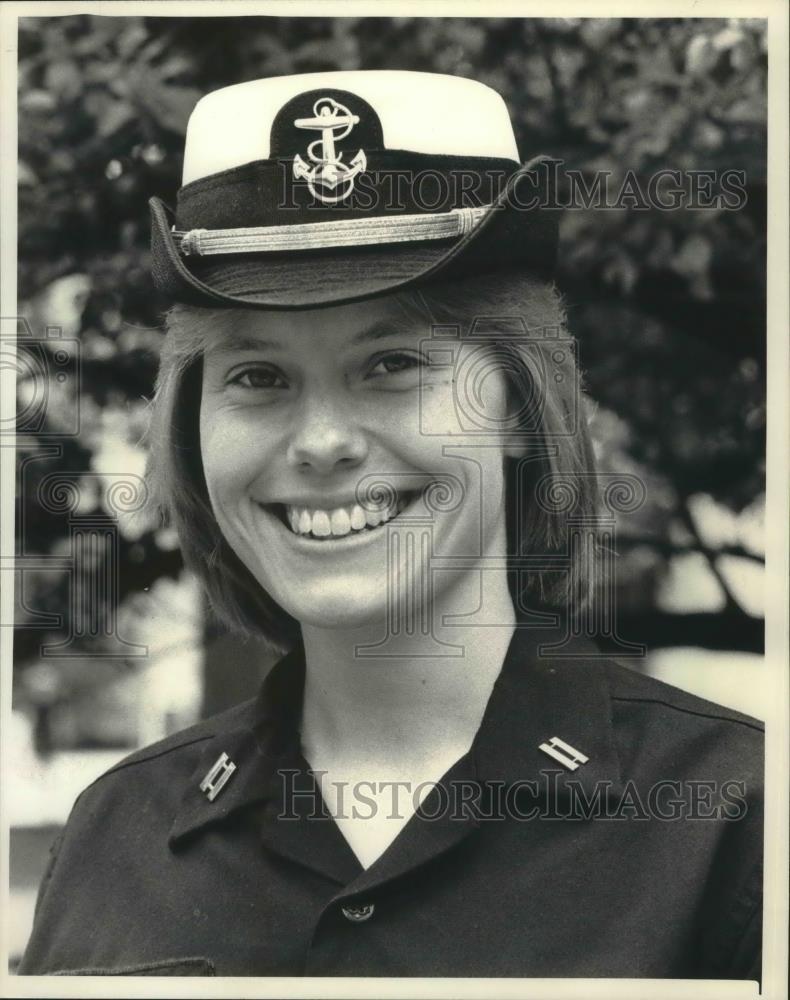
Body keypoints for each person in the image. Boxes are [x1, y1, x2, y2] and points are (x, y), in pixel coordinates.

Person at [19, 70, 763, 979]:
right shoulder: (114, 842)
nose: (322, 442)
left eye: (393, 363)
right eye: (257, 376)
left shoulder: (737, 825)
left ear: (522, 408)